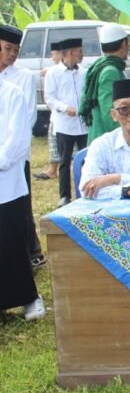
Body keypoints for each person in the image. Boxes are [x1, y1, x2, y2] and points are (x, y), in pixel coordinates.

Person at [0, 77, 45, 321]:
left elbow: (17, 139)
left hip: (5, 185)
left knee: (11, 245)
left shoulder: (11, 93)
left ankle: (29, 298)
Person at [0, 25, 44, 267]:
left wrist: (8, 154)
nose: (12, 54)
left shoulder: (23, 77)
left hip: (17, 153)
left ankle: (32, 250)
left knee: (21, 206)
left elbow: (28, 118)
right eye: (7, 48)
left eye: (15, 50)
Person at [44, 38, 88, 207]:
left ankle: (85, 191)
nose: (82, 55)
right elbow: (49, 98)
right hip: (64, 124)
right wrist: (64, 107)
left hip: (83, 124)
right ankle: (65, 196)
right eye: (79, 51)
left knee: (85, 159)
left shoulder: (83, 72)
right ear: (70, 53)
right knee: (64, 161)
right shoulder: (53, 73)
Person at [79, 23, 129, 145]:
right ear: (124, 44)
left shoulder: (99, 66)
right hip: (107, 140)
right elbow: (109, 113)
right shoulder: (110, 72)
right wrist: (125, 139)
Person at [35, 41, 64, 181]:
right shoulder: (53, 70)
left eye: (53, 54)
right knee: (53, 142)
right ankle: (53, 169)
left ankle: (55, 170)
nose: (52, 58)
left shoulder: (57, 71)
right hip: (57, 113)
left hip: (64, 113)